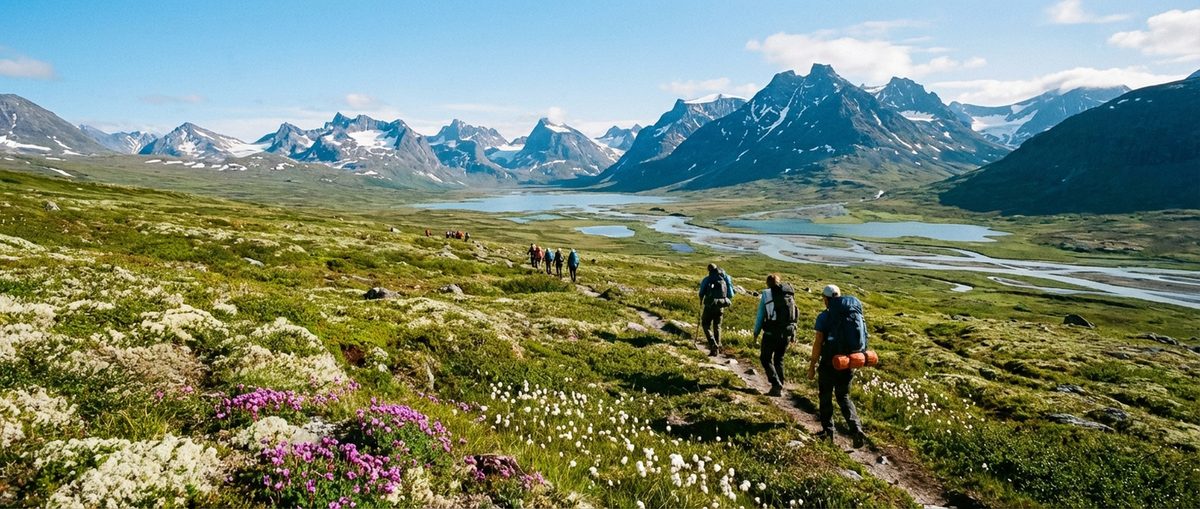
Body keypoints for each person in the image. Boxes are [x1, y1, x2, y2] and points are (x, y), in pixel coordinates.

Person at [809, 284, 867, 447]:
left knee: (825, 395)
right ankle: (856, 429)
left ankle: (828, 432)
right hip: (848, 362)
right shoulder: (853, 313)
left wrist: (812, 365)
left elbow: (818, 343)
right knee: (844, 397)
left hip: (829, 362)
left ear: (826, 299)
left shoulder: (824, 317)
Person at [752, 274, 798, 397]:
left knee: (765, 358)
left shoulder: (766, 294)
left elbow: (761, 315)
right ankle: (779, 385)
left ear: (768, 283)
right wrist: (793, 333)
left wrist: (756, 332)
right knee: (779, 359)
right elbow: (794, 314)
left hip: (771, 333)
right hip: (786, 332)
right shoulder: (788, 294)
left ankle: (775, 383)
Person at [698, 263, 735, 356]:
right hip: (721, 306)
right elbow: (730, 294)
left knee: (705, 324)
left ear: (709, 270)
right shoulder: (725, 278)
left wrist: (701, 300)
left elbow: (701, 292)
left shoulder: (707, 279)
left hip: (710, 305)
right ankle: (717, 348)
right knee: (717, 326)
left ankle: (713, 344)